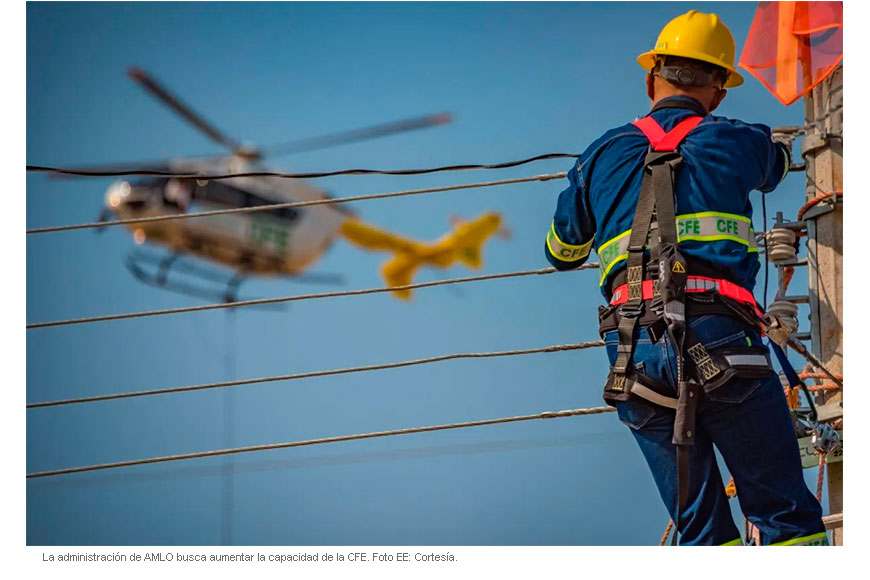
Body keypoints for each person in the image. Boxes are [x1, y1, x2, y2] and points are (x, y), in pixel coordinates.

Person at [544, 10, 826, 546]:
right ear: (718, 92)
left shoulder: (599, 155)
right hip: (723, 340)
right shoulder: (735, 139)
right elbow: (773, 165)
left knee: (700, 532)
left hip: (634, 353)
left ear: (651, 78)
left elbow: (561, 248)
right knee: (786, 517)